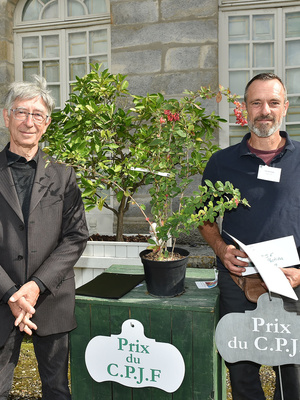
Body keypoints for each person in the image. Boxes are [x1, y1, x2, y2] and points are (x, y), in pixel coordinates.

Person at [199, 72, 300, 400]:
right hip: (238, 282)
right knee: (242, 374)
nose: (264, 110)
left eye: (273, 102)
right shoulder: (221, 163)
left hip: (292, 283)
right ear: (244, 109)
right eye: (256, 103)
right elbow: (205, 220)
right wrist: (220, 248)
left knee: (293, 378)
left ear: (285, 107)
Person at [0, 76, 89, 399]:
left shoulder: (63, 175)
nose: (29, 122)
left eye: (37, 114)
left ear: (47, 123)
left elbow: (76, 236)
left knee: (56, 389)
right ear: (6, 116)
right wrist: (11, 292)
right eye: (21, 112)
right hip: (0, 298)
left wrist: (35, 286)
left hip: (51, 299)